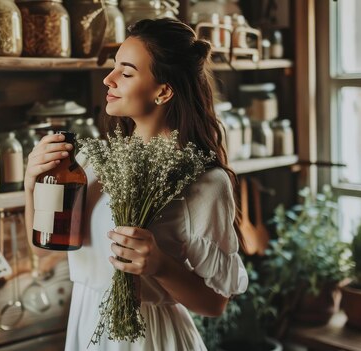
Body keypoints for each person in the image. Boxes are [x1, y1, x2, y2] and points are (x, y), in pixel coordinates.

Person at [24, 18, 248, 351]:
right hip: (87, 330)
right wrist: (32, 184)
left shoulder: (205, 182)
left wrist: (160, 265)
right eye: (115, 68)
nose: (108, 79)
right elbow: (43, 250)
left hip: (151, 339)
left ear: (163, 91)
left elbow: (215, 304)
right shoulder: (91, 163)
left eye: (126, 73)